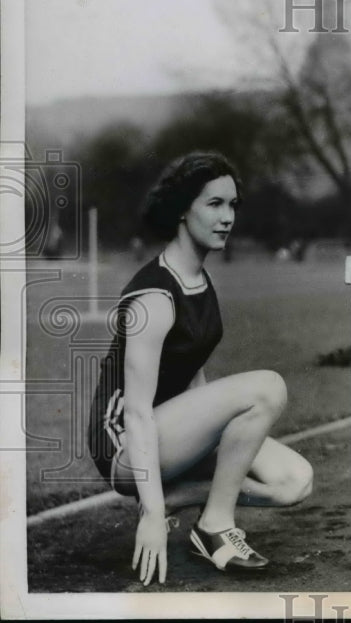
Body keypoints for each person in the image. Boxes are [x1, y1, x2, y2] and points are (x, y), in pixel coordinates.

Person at [87, 152, 313, 585]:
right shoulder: (154, 297)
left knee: (294, 481)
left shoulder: (201, 283)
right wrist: (151, 514)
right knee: (268, 387)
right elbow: (134, 414)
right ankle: (213, 527)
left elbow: (194, 383)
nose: (227, 217)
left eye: (232, 205)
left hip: (170, 434)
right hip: (123, 448)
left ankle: (186, 501)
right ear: (182, 209)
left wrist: (208, 445)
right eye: (214, 204)